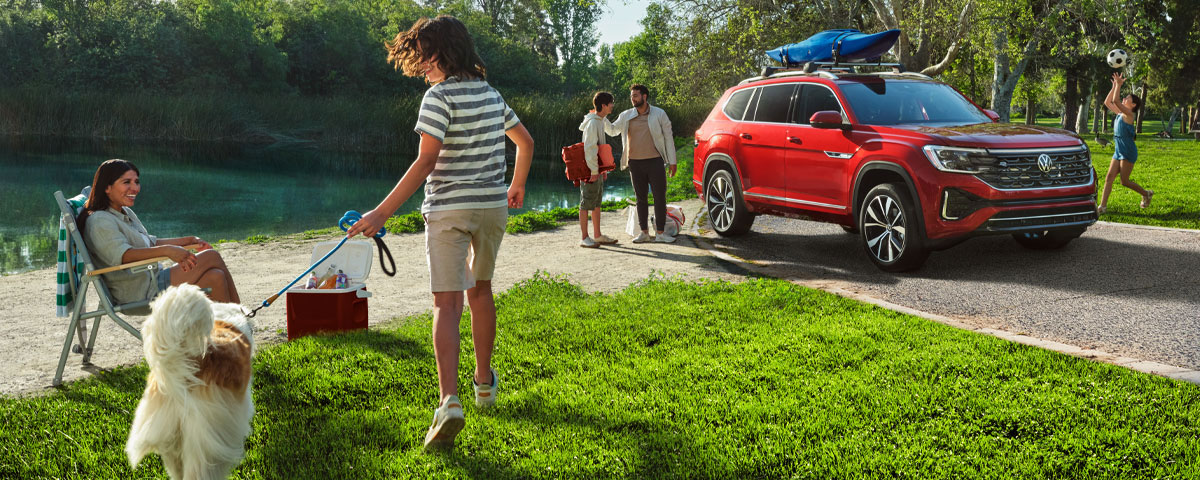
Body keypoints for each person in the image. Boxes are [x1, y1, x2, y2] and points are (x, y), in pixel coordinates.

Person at [344, 15, 534, 451]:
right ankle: (484, 384)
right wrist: (517, 183)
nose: (421, 68)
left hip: (449, 208)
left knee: (446, 304)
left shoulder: (438, 97)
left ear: (443, 53)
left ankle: (449, 401)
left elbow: (426, 162)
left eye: (424, 58)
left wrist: (380, 212)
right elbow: (525, 141)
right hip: (491, 207)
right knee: (480, 291)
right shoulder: (491, 94)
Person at [78, 159, 240, 304]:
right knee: (212, 256)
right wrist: (167, 251)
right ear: (107, 187)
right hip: (140, 290)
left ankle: (228, 334)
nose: (135, 188)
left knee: (216, 276)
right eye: (126, 182)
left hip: (153, 278)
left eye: (136, 182)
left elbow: (150, 242)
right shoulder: (100, 220)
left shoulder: (124, 212)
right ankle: (242, 319)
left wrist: (188, 241)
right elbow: (124, 256)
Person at [609, 84, 677, 243]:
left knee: (660, 197)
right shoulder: (626, 115)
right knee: (641, 199)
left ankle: (660, 233)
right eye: (631, 96)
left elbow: (668, 138)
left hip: (655, 162)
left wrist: (672, 162)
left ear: (644, 96)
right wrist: (600, 116)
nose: (632, 99)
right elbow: (612, 130)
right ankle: (644, 233)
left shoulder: (659, 114)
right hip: (635, 163)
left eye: (636, 96)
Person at [1098, 72, 1152, 214]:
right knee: (1109, 177)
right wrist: (1114, 85)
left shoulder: (1129, 115)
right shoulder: (1120, 114)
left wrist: (1119, 85)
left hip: (1127, 151)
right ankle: (1102, 207)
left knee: (1124, 181)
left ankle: (1146, 194)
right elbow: (1107, 102)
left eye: (1127, 98)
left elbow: (1115, 101)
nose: (1124, 98)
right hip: (1118, 150)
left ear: (1133, 105)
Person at [576, 91, 620, 248]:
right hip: (590, 170)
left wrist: (602, 170)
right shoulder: (593, 123)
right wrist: (594, 171)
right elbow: (590, 148)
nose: (612, 106)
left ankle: (597, 235)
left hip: (596, 169)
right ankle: (584, 237)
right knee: (586, 202)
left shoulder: (599, 120)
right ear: (604, 105)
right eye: (611, 103)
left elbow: (601, 147)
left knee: (596, 203)